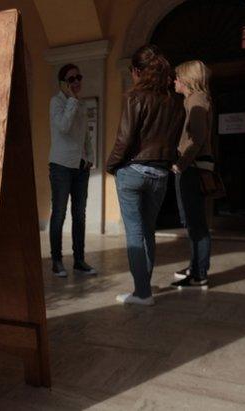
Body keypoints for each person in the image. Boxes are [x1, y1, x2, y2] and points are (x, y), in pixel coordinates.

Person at [106, 45, 185, 306]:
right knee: (148, 231)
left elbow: (125, 138)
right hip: (160, 174)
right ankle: (144, 287)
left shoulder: (136, 97)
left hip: (133, 171)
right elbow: (174, 140)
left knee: (134, 233)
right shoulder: (175, 102)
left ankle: (142, 293)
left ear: (138, 71)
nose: (131, 76)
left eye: (132, 71)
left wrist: (112, 165)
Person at [48, 63, 97, 277]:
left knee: (80, 215)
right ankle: (57, 261)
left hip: (80, 166)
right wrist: (71, 101)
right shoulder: (56, 102)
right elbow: (64, 127)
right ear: (63, 84)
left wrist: (90, 157)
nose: (77, 82)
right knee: (59, 214)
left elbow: (85, 134)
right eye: (72, 79)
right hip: (60, 166)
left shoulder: (81, 104)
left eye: (79, 77)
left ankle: (79, 260)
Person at [170, 60, 214, 289]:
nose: (174, 81)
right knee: (194, 222)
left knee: (195, 223)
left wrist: (181, 164)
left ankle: (199, 274)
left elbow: (196, 138)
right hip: (195, 167)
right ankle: (195, 268)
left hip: (193, 168)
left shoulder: (196, 100)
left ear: (187, 79)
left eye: (177, 77)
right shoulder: (194, 100)